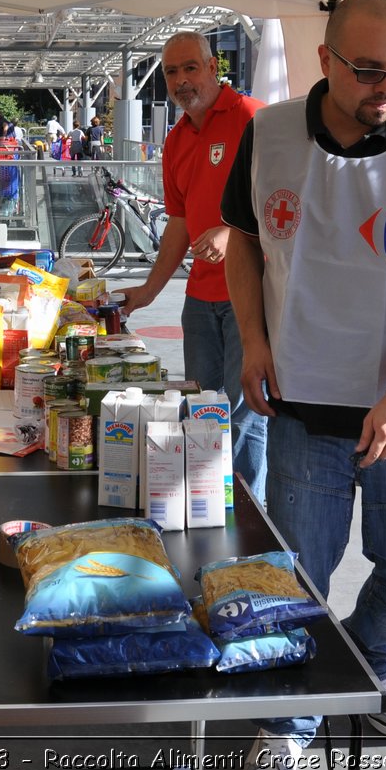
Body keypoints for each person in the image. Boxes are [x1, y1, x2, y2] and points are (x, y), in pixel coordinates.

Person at [221, 0, 386, 770]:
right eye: (368, 71)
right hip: (300, 396)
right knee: (300, 569)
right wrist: (254, 343)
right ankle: (294, 716)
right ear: (326, 61)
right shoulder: (266, 134)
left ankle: (367, 663)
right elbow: (242, 242)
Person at [117, 32, 268, 499]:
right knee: (203, 411)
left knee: (246, 417)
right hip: (199, 301)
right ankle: (208, 502)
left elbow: (285, 203)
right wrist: (147, 291)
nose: (181, 80)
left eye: (189, 68)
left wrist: (233, 231)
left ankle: (249, 515)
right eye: (170, 72)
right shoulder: (177, 138)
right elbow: (179, 223)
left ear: (212, 65)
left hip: (253, 298)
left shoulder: (253, 118)